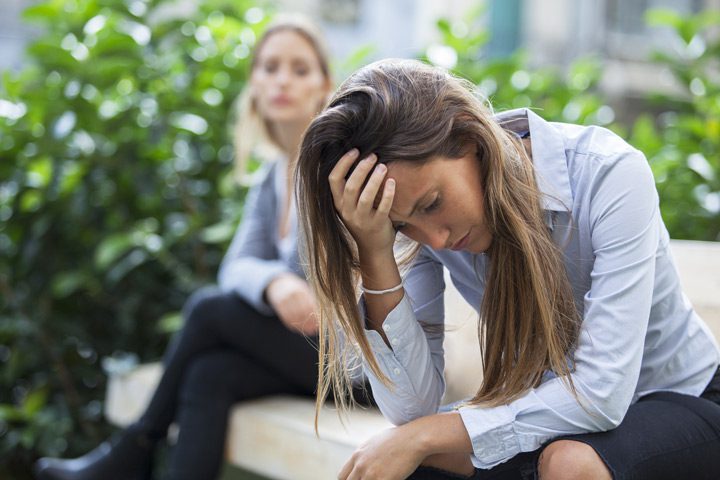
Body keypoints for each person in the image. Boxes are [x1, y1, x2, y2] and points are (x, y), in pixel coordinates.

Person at [295, 58, 720, 480]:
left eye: (432, 204)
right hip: (556, 419)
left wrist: (428, 435)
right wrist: (376, 252)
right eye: (404, 224)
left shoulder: (608, 174)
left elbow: (601, 394)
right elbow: (412, 409)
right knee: (406, 466)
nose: (437, 240)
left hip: (683, 402)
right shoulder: (422, 229)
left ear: (471, 138)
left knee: (569, 463)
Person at [35, 15, 334, 480]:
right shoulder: (272, 175)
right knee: (208, 376)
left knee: (208, 310)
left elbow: (324, 299)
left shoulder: (329, 167)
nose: (282, 81)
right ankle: (134, 453)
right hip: (301, 351)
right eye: (270, 67)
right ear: (253, 80)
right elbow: (235, 266)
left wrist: (278, 285)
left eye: (300, 69)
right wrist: (274, 282)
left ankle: (134, 449)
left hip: (350, 366)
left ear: (324, 85)